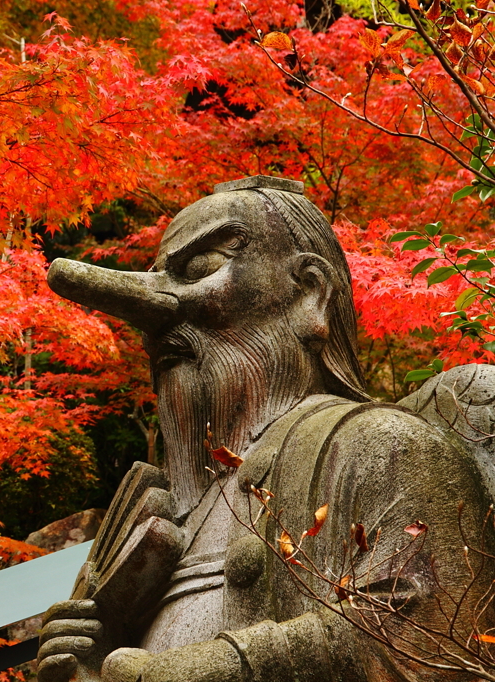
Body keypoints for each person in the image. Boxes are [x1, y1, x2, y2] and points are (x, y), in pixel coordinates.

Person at [39, 176, 495, 682]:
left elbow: (425, 632)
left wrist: (211, 667)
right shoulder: (166, 513)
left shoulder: (378, 445)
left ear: (309, 292)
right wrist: (87, 661)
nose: (153, 316)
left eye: (201, 268)